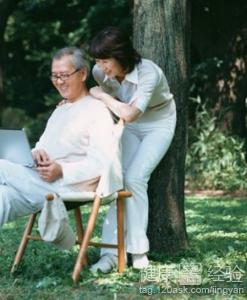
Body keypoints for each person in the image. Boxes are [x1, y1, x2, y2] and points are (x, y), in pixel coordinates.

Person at [0, 47, 123, 284]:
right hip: (42, 181)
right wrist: (35, 153)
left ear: (82, 74)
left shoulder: (96, 110)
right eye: (54, 76)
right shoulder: (61, 110)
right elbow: (44, 145)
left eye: (64, 75)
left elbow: (100, 164)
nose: (58, 81)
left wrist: (62, 170)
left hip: (70, 186)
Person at [86, 27, 177, 273]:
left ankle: (138, 253)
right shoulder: (98, 72)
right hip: (128, 125)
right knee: (118, 180)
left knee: (135, 178)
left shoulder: (149, 72)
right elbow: (99, 101)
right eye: (98, 60)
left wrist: (102, 97)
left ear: (122, 56)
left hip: (158, 122)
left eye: (106, 60)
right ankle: (109, 254)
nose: (101, 66)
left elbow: (130, 112)